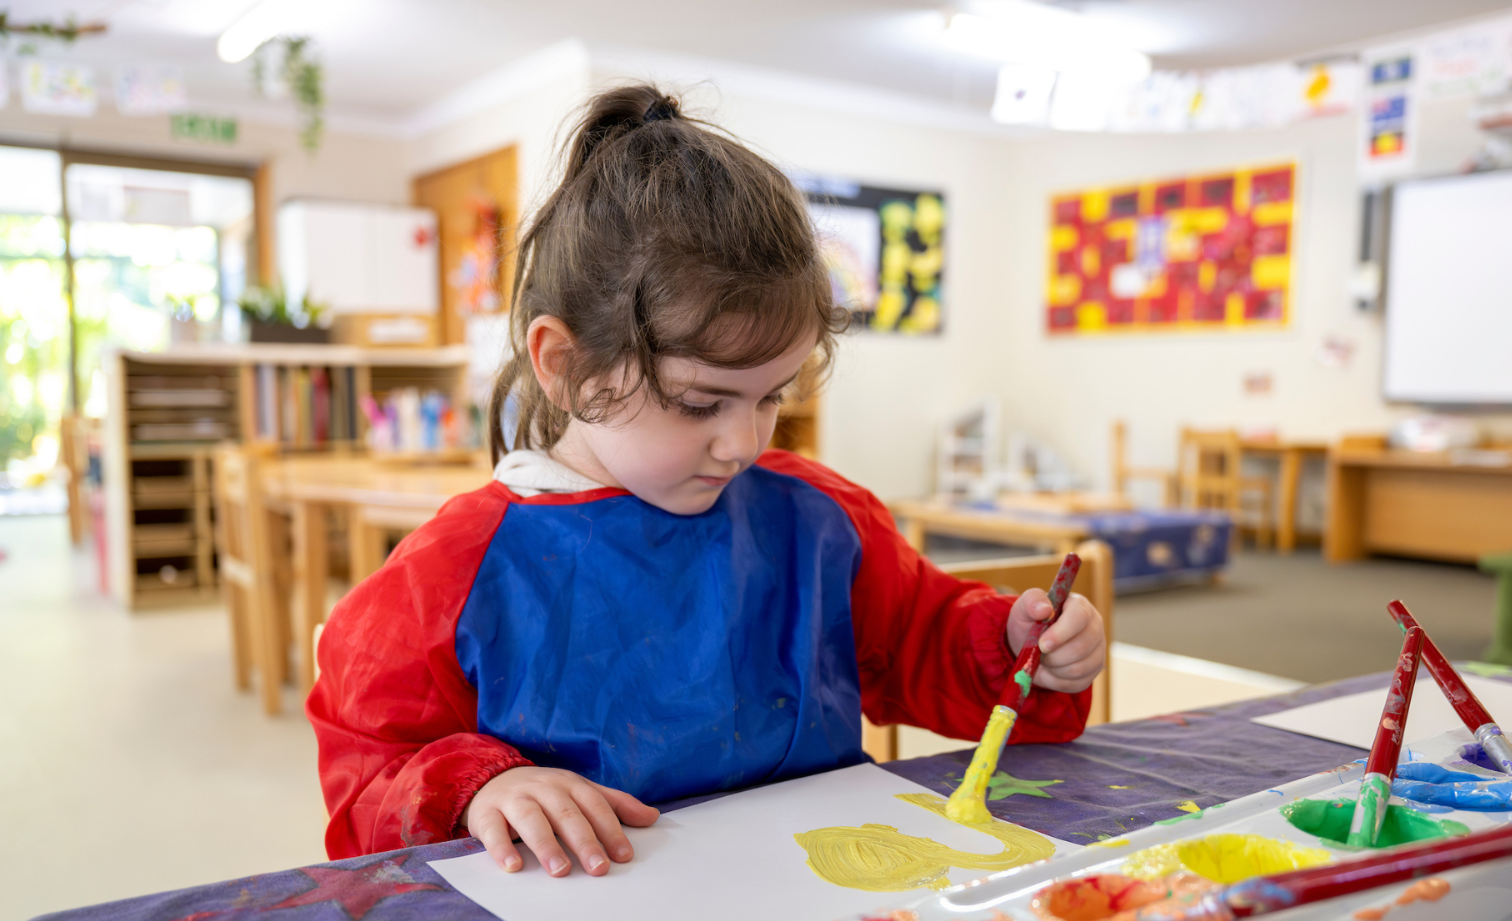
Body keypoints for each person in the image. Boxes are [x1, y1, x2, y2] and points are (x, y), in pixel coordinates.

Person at [308, 84, 1106, 876]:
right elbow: (368, 778)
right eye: (699, 403)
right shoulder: (448, 577)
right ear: (566, 367)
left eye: (772, 397)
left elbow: (915, 640)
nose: (744, 442)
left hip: (815, 905)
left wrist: (1010, 644)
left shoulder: (818, 519)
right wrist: (482, 788)